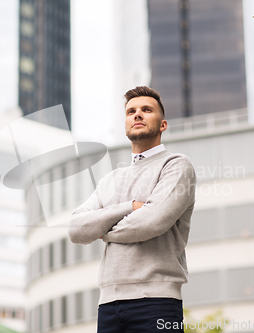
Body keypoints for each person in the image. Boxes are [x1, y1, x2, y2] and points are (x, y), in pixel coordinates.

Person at [69, 86, 196, 332]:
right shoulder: (110, 180)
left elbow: (151, 222)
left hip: (158, 302)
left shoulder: (176, 166)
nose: (137, 115)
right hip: (108, 304)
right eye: (131, 111)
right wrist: (129, 207)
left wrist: (103, 230)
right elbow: (76, 229)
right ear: (126, 123)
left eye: (146, 110)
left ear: (163, 124)